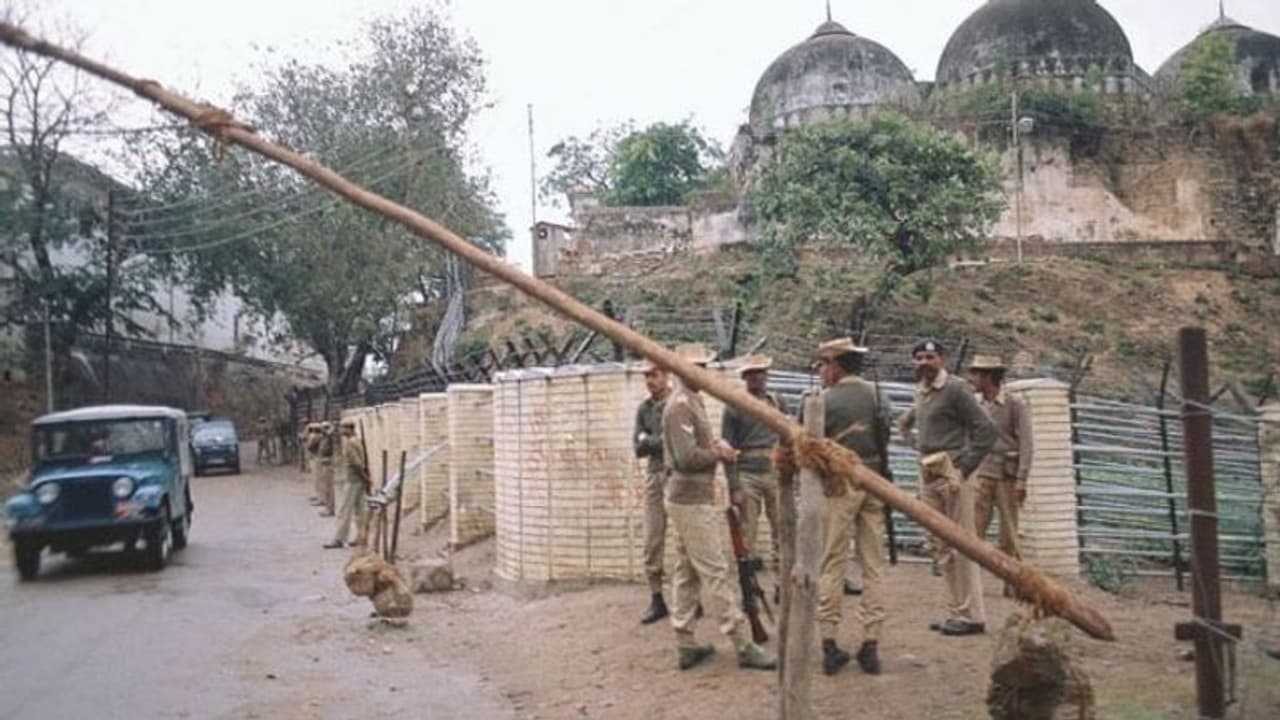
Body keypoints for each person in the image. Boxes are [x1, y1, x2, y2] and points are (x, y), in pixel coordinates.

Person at [661, 343, 775, 672]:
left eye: (704, 366)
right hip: (690, 499)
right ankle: (742, 643)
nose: (703, 372)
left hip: (691, 496)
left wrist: (713, 447)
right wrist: (720, 454)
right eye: (697, 367)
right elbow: (686, 458)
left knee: (686, 571)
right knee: (716, 570)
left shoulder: (691, 401)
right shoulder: (681, 405)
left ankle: (685, 641)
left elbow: (694, 449)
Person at [899, 339, 996, 637]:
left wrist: (963, 467)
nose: (923, 362)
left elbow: (986, 430)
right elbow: (909, 424)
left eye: (930, 357)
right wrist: (916, 444)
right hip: (928, 472)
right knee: (940, 543)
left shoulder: (955, 389)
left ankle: (972, 615)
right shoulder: (922, 391)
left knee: (962, 543)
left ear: (942, 359)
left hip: (951, 474)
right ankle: (956, 610)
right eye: (919, 358)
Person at [806, 338, 891, 675]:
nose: (823, 372)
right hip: (874, 481)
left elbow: (810, 447)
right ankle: (871, 643)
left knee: (832, 562)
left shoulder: (823, 401)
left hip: (838, 485)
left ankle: (829, 641)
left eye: (825, 365)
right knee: (873, 565)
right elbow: (884, 437)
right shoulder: (878, 396)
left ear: (836, 365)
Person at [967, 355, 1033, 578]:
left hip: (1007, 475)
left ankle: (1011, 579)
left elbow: (1026, 442)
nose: (972, 378)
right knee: (974, 530)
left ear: (989, 376)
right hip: (982, 472)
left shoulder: (1014, 404)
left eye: (977, 374)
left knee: (1008, 533)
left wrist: (1022, 478)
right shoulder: (975, 404)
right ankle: (971, 580)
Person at [720, 355, 782, 562]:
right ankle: (748, 582)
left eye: (760, 372)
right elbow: (727, 451)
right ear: (744, 377)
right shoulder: (734, 406)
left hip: (775, 471)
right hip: (747, 473)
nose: (756, 378)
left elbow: (788, 436)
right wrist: (734, 487)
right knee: (747, 532)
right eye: (751, 374)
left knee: (782, 527)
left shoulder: (777, 402)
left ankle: (782, 578)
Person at [634, 360, 672, 624]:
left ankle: (690, 599)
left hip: (677, 475)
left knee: (685, 541)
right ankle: (657, 598)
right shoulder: (644, 409)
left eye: (654, 375)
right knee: (652, 540)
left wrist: (649, 440)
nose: (650, 381)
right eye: (647, 376)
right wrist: (648, 442)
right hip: (654, 476)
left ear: (666, 376)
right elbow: (637, 448)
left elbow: (677, 442)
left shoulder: (677, 404)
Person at [324, 419, 369, 550]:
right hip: (359, 480)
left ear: (349, 429)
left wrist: (365, 477)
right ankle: (362, 537)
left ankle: (339, 538)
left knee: (345, 511)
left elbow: (357, 464)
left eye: (343, 428)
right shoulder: (357, 441)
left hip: (353, 480)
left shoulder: (350, 443)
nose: (340, 431)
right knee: (359, 511)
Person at [309, 422, 338, 517]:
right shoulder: (324, 438)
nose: (322, 429)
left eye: (325, 428)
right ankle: (328, 507)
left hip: (328, 463)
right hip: (324, 463)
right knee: (326, 487)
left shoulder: (328, 437)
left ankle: (330, 509)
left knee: (328, 488)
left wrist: (329, 429)